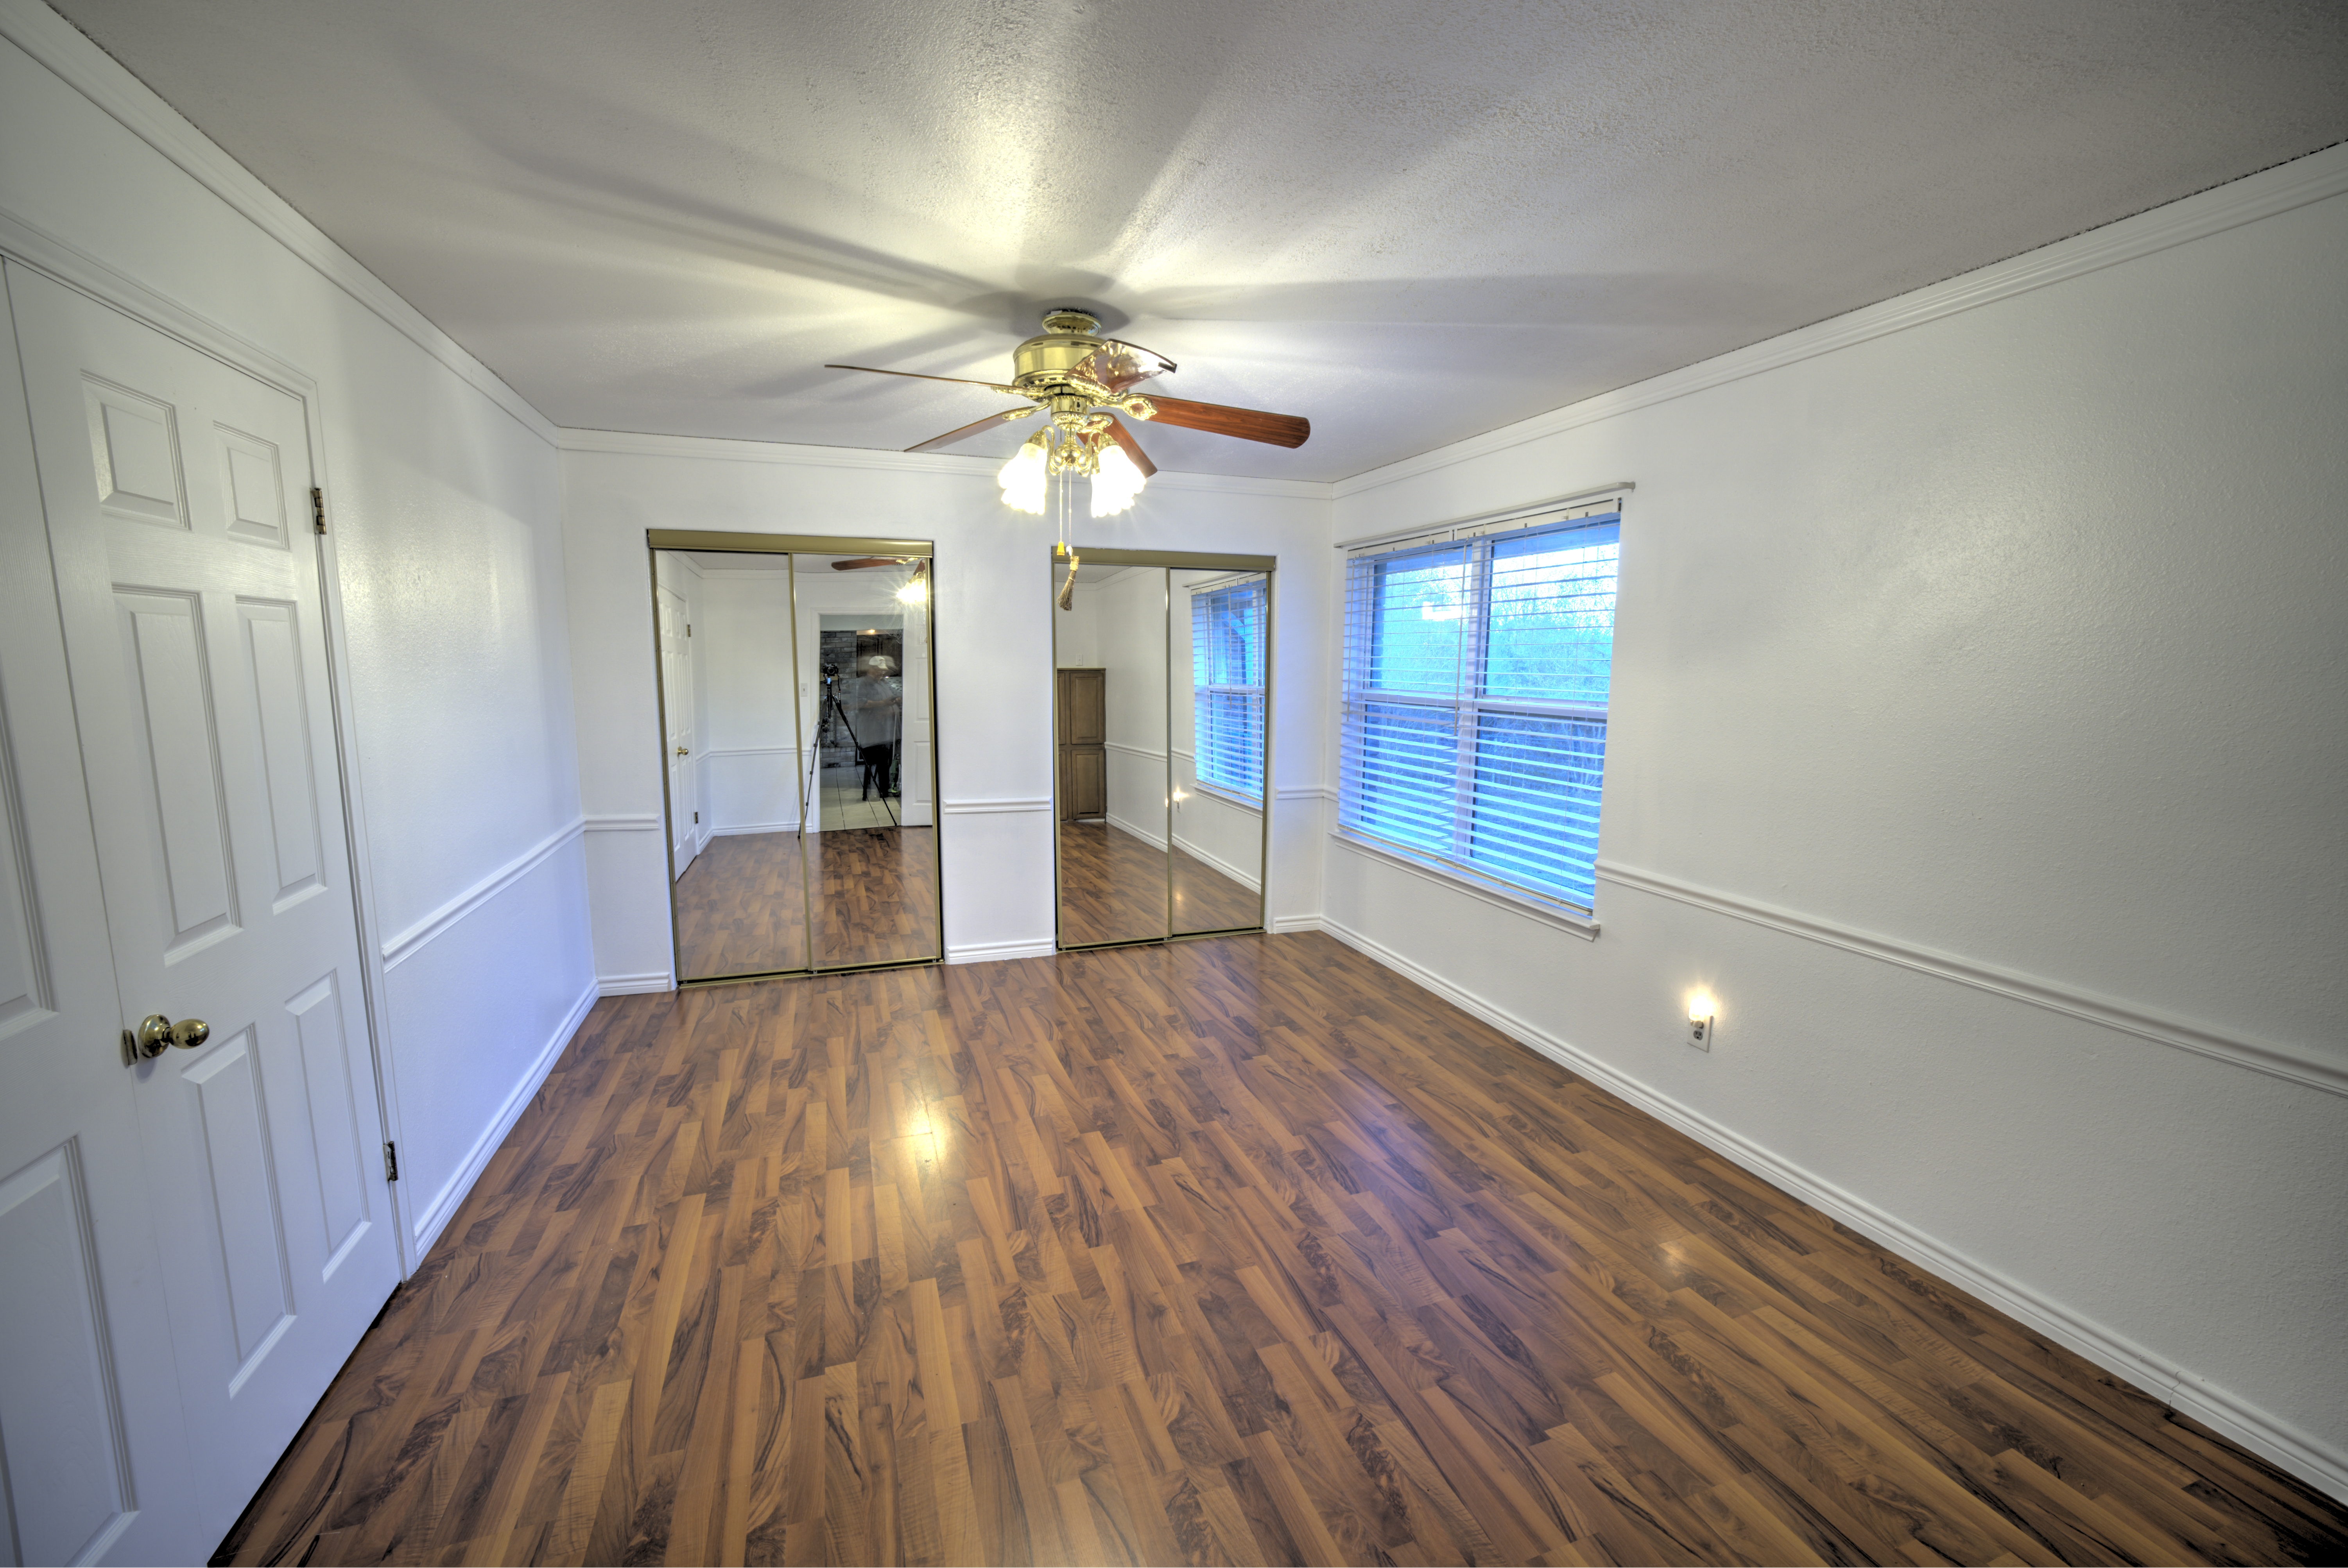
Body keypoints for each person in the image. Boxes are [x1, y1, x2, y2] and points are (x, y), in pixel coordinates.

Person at [840, 652, 902, 801]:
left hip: (886, 731)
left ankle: (886, 789)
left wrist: (896, 701)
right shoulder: (863, 683)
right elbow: (858, 703)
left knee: (888, 762)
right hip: (873, 733)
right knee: (883, 762)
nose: (882, 673)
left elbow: (894, 697)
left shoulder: (883, 682)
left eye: (883, 670)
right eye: (878, 670)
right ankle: (884, 791)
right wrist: (884, 704)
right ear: (870, 669)